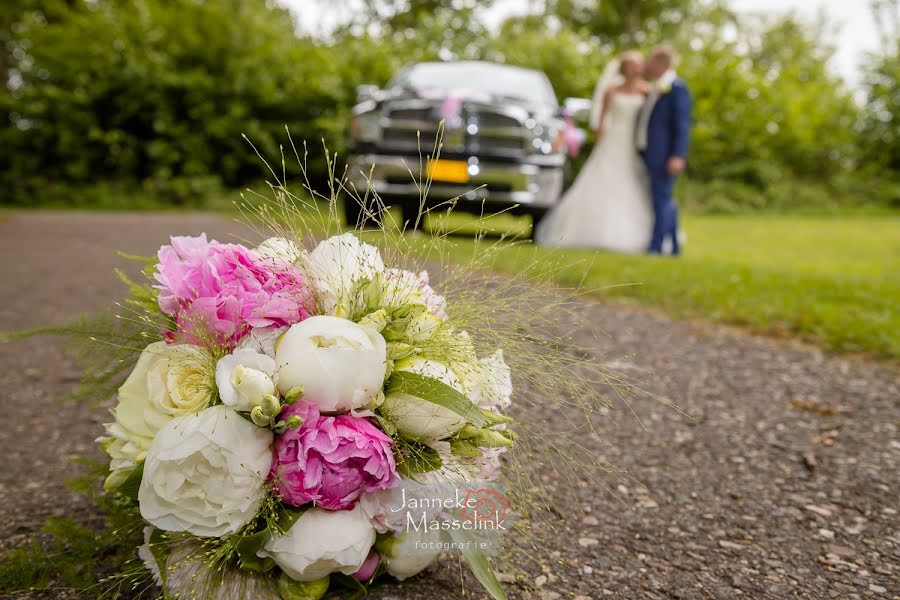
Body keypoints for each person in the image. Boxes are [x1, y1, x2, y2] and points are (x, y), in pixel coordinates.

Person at [535, 51, 653, 252]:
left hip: (632, 143)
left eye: (639, 64)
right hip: (612, 140)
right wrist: (601, 144)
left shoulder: (646, 91)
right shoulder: (611, 90)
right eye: (633, 64)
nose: (637, 68)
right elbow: (601, 121)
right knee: (604, 181)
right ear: (624, 68)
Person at [636, 44, 692, 255]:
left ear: (661, 63)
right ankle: (674, 246)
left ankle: (657, 246)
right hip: (649, 151)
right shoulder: (656, 86)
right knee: (663, 198)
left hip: (664, 153)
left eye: (651, 60)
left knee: (662, 198)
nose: (648, 64)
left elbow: (682, 125)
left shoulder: (676, 88)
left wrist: (678, 155)